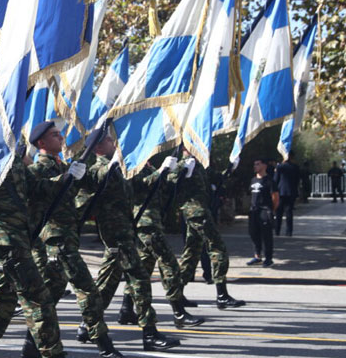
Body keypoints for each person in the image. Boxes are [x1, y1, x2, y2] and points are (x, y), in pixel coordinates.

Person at [0, 108, 74, 358]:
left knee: (2, 305)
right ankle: (53, 353)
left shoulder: (14, 161)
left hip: (18, 240)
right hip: (1, 241)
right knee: (39, 301)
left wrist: (66, 179)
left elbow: (38, 189)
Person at [79, 131, 184, 351]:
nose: (114, 143)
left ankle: (88, 325)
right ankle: (149, 333)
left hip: (125, 231)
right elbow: (96, 182)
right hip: (115, 234)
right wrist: (112, 167)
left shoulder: (120, 168)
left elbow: (140, 186)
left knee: (107, 283)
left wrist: (163, 171)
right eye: (109, 140)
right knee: (140, 279)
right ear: (98, 148)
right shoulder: (98, 170)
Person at [27, 121, 123, 357]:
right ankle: (104, 346)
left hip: (68, 239)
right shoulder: (37, 170)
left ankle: (30, 348)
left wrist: (112, 163)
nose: (61, 138)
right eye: (55, 135)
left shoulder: (64, 166)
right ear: (41, 142)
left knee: (48, 298)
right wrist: (64, 178)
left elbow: (92, 181)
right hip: (56, 241)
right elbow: (36, 189)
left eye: (60, 134)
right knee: (88, 291)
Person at [172, 150, 245, 309]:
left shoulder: (200, 164)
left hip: (201, 211)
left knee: (191, 253)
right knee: (218, 248)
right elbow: (169, 182)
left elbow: (218, 178)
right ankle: (222, 295)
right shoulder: (182, 164)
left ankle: (178, 294)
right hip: (196, 212)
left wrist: (231, 166)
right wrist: (182, 170)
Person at [248, 159, 275, 266]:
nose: (255, 166)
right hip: (254, 211)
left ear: (264, 166)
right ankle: (257, 256)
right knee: (254, 233)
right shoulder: (253, 180)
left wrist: (271, 209)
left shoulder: (269, 180)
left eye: (258, 164)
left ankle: (268, 258)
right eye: (254, 164)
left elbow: (275, 197)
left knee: (266, 235)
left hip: (264, 211)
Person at [273, 157, 300, 236]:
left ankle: (277, 230)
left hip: (281, 192)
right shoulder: (295, 167)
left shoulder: (279, 167)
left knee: (279, 213)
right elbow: (297, 180)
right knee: (289, 212)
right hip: (291, 192)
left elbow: (275, 180)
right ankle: (289, 231)